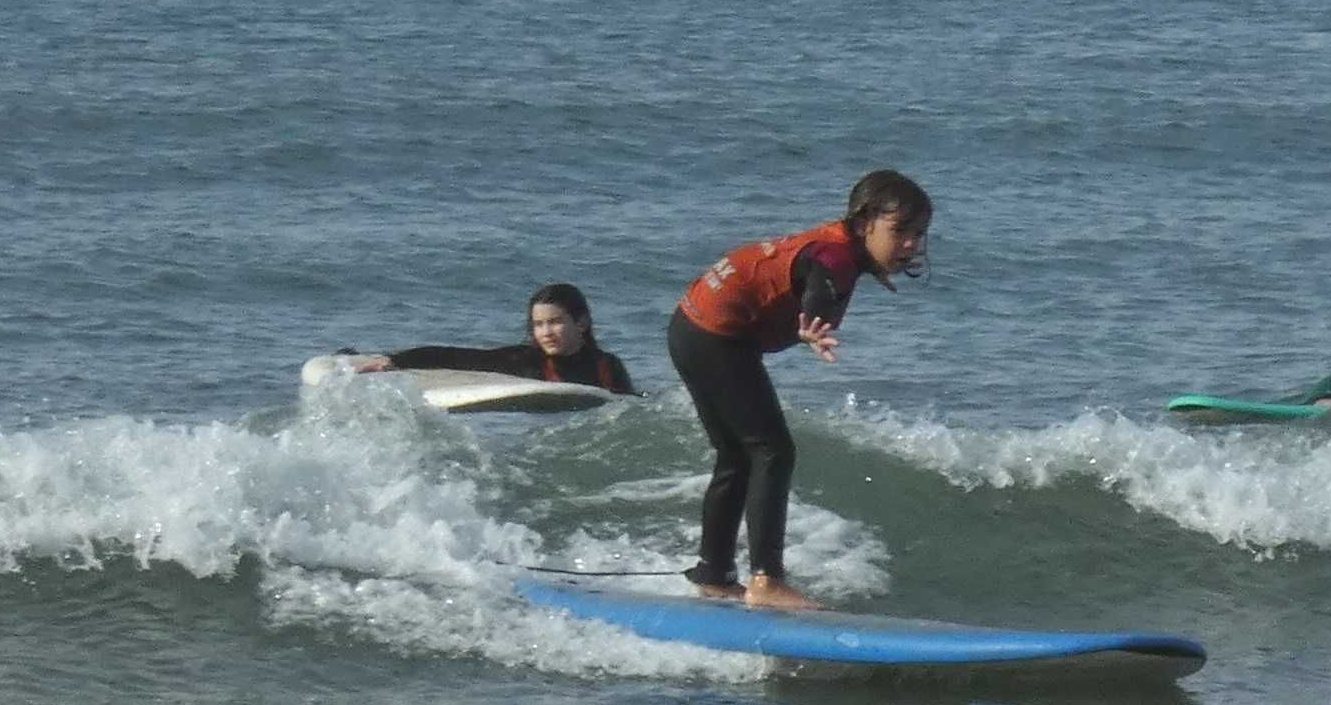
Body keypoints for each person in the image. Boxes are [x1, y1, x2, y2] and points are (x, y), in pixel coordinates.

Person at [666, 171, 932, 609]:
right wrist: (814, 321)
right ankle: (766, 582)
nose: (910, 244)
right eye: (899, 231)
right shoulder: (836, 256)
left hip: (692, 327)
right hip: (714, 336)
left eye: (919, 234)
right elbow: (817, 271)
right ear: (864, 223)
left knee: (737, 455)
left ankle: (714, 574)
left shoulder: (841, 248)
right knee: (773, 451)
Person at [351, 283, 636, 394]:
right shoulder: (527, 361)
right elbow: (460, 358)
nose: (546, 332)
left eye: (555, 322)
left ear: (582, 322)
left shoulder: (608, 366)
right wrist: (396, 360)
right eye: (538, 325)